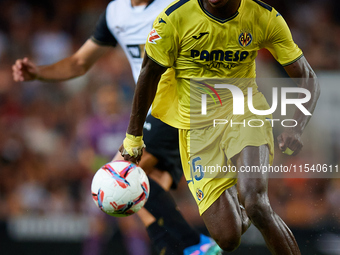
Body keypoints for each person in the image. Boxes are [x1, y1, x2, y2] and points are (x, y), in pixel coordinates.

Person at [11, 0, 228, 254]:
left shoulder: (177, 5)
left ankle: (195, 244)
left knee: (118, 179)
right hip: (155, 110)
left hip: (182, 102)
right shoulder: (116, 12)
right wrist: (38, 72)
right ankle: (183, 247)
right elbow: (79, 63)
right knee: (138, 197)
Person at [120, 0, 320, 253]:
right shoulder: (173, 19)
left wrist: (296, 128)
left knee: (257, 203)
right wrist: (133, 138)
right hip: (197, 128)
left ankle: (250, 201)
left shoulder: (264, 17)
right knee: (227, 238)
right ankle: (242, 205)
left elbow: (307, 77)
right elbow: (148, 74)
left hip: (243, 112)